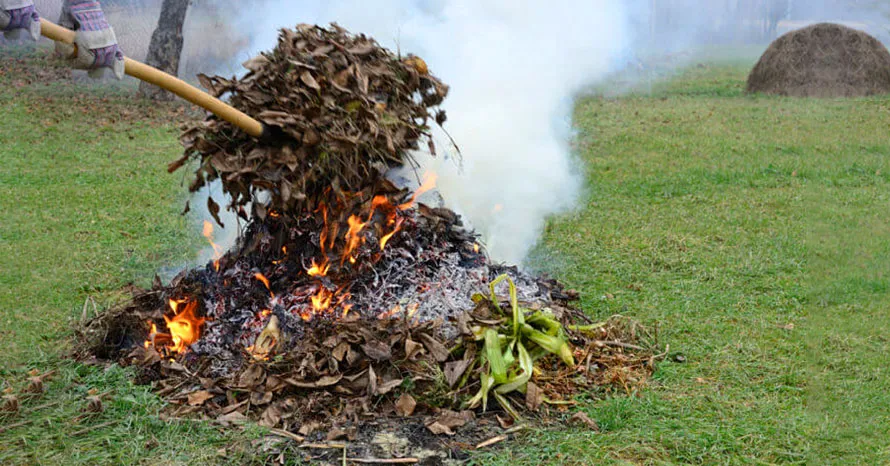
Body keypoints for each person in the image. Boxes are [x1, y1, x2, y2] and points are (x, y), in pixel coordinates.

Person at [0, 0, 124, 79]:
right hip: (110, 50)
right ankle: (102, 65)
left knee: (64, 48)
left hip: (11, 13)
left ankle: (16, 24)